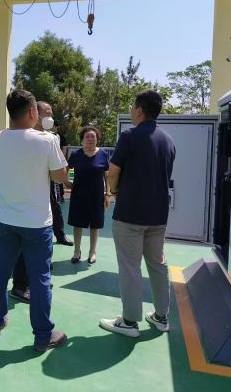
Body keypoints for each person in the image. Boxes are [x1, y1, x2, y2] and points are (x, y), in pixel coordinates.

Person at [0, 89, 68, 352]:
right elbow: (60, 177)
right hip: (37, 223)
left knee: (0, 271)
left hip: (7, 219)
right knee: (40, 278)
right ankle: (43, 336)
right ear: (33, 112)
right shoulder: (47, 140)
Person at [99, 90, 175, 338]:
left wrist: (113, 190)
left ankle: (129, 322)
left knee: (130, 267)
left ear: (140, 110)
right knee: (158, 265)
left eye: (133, 107)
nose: (131, 111)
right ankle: (161, 317)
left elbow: (112, 172)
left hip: (130, 214)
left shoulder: (129, 136)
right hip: (158, 215)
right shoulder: (168, 140)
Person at [64, 126, 110, 264]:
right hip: (79, 194)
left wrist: (108, 194)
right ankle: (77, 251)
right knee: (77, 224)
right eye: (87, 137)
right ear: (82, 139)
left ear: (97, 139)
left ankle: (92, 252)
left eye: (93, 137)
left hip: (97, 195)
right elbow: (65, 168)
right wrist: (66, 181)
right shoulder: (76, 154)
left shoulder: (103, 154)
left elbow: (107, 176)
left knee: (95, 225)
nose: (90, 139)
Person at [36, 101, 73, 246]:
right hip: (33, 180)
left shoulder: (53, 137)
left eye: (51, 115)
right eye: (47, 114)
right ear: (35, 114)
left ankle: (60, 235)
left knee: (55, 206)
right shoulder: (24, 136)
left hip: (51, 178)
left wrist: (63, 178)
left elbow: (59, 160)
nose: (50, 118)